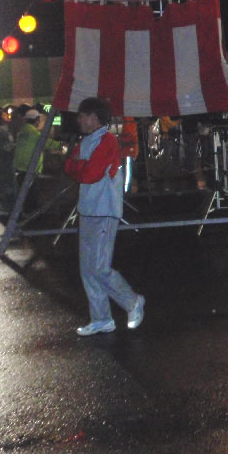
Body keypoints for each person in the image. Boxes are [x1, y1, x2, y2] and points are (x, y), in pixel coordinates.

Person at [65, 96, 145, 337]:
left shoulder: (107, 140)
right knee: (88, 269)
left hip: (104, 210)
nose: (79, 120)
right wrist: (80, 166)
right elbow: (72, 167)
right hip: (90, 209)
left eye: (82, 116)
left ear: (94, 117)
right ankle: (101, 319)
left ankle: (132, 301)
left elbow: (88, 173)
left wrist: (79, 166)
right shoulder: (89, 140)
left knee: (98, 268)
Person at [0, 109, 17, 213]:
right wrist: (14, 146)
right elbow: (5, 146)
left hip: (1, 160)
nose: (7, 116)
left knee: (2, 182)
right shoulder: (3, 130)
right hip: (5, 160)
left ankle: (1, 204)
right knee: (6, 182)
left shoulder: (1, 130)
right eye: (5, 115)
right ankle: (6, 206)